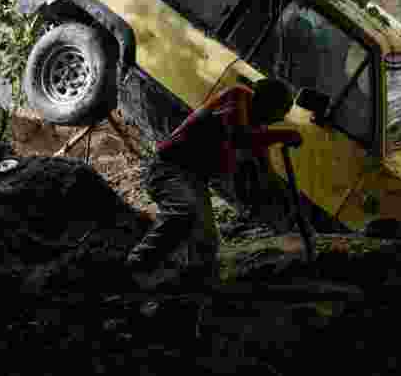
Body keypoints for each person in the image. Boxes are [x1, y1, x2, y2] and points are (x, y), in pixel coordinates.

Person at [125, 78, 302, 290]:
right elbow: (240, 137)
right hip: (168, 169)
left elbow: (266, 171)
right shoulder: (238, 96)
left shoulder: (257, 128)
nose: (281, 118)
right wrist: (285, 135)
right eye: (281, 110)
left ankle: (183, 290)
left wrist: (287, 200)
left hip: (195, 181)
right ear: (265, 101)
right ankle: (134, 267)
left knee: (206, 244)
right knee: (185, 211)